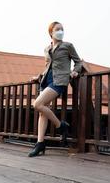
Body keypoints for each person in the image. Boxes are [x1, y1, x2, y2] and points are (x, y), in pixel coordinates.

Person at [28, 21, 83, 157]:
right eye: (57, 29)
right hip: (46, 80)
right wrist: (38, 76)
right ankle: (40, 144)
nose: (60, 31)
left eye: (62, 29)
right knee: (42, 112)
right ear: (51, 32)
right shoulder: (47, 49)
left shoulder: (68, 46)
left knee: (37, 104)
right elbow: (48, 66)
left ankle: (60, 125)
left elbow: (79, 62)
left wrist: (75, 71)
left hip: (59, 81)